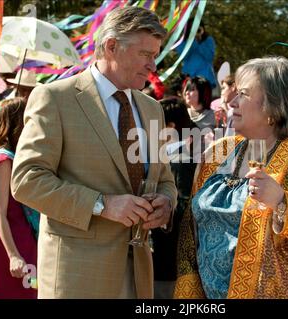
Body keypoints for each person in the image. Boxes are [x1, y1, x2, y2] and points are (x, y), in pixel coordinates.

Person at [10, 6, 177, 299]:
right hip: (76, 277)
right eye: (146, 54)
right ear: (111, 46)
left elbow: (164, 179)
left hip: (138, 275)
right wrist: (102, 204)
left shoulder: (152, 109)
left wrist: (166, 203)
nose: (153, 65)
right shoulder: (55, 98)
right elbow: (26, 180)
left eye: (155, 54)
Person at [174, 57, 288, 299]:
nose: (232, 101)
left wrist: (282, 203)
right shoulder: (217, 154)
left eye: (243, 94)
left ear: (273, 107)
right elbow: (190, 234)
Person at [0, 98, 38, 299]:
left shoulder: (16, 157)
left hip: (25, 240)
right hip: (12, 244)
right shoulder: (3, 160)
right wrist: (13, 255)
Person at [152, 98, 197, 299]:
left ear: (170, 127)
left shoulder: (183, 156)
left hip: (171, 248)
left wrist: (160, 212)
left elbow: (185, 200)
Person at [175, 20, 217, 88]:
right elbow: (183, 56)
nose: (195, 29)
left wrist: (200, 42)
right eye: (192, 27)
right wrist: (193, 41)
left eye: (197, 26)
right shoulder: (182, 42)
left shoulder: (209, 40)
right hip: (188, 76)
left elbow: (210, 57)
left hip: (205, 77)